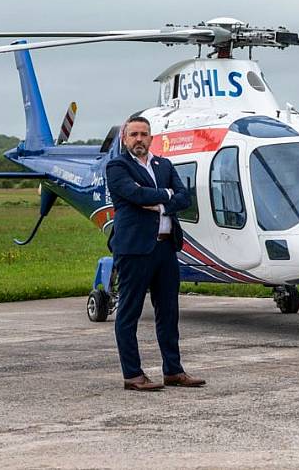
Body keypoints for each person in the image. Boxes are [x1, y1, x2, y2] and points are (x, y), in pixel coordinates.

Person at [106, 116, 205, 391]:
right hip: (134, 250)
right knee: (129, 313)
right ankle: (133, 375)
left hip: (165, 247)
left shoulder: (165, 164)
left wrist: (159, 201)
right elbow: (134, 195)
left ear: (151, 138)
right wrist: (166, 196)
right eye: (134, 134)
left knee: (169, 312)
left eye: (144, 134)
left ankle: (173, 371)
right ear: (125, 139)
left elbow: (185, 197)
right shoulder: (117, 166)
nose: (139, 139)